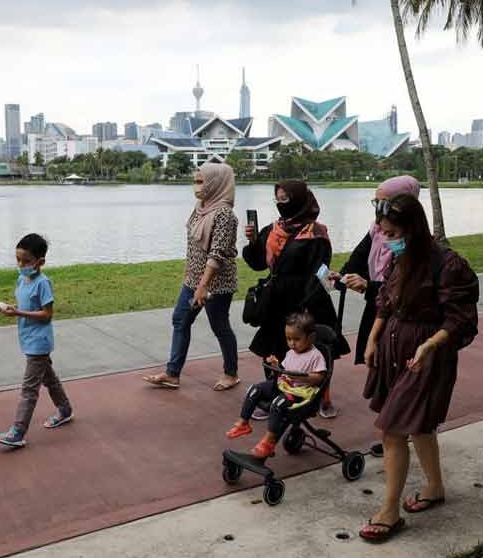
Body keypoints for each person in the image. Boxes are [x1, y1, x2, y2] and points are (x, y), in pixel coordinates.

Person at [356, 194, 479, 543]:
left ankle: (389, 512)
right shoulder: (400, 259)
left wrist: (429, 346)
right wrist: (373, 338)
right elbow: (385, 301)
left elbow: (460, 319)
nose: (387, 238)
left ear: (413, 228)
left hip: (425, 356)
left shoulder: (448, 264)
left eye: (393, 232)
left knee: (393, 430)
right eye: (383, 232)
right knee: (419, 426)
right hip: (394, 349)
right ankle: (435, 487)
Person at [243, 180, 349, 419]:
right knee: (273, 348)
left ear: (300, 199)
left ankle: (322, 397)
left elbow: (317, 271)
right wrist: (252, 242)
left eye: (286, 199)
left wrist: (305, 308)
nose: (281, 205)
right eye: (277, 200)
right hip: (275, 300)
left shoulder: (316, 233)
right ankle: (275, 396)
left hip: (306, 300)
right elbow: (259, 263)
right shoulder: (272, 229)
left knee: (314, 350)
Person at [144, 163, 240, 391]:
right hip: (194, 280)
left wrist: (203, 286)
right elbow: (193, 245)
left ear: (216, 183)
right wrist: (189, 275)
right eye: (195, 181)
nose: (196, 186)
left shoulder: (224, 214)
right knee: (180, 319)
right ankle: (172, 374)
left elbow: (216, 254)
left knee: (219, 325)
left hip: (216, 284)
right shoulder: (200, 208)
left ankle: (231, 373)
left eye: (201, 181)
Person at [0, 233, 74, 448]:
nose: (21, 264)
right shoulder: (22, 279)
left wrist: (18, 313)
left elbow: (47, 314)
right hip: (28, 339)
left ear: (40, 262)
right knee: (49, 379)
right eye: (18, 259)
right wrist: (9, 307)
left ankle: (18, 431)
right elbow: (24, 306)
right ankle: (65, 409)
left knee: (29, 389)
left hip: (39, 342)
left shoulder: (43, 283)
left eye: (26, 261)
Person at [330, 175, 421, 366]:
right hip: (377, 306)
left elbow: (406, 286)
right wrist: (342, 276)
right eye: (376, 203)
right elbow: (359, 256)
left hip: (401, 316)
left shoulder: (415, 242)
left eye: (384, 203)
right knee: (376, 363)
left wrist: (368, 286)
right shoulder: (377, 229)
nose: (379, 210)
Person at [225, 312, 327, 458]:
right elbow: (284, 371)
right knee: (254, 389)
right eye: (289, 339)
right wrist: (276, 365)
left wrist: (303, 377)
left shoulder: (315, 356)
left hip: (299, 392)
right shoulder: (292, 352)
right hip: (284, 386)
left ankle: (268, 441)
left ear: (310, 338)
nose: (292, 343)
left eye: (297, 339)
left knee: (277, 403)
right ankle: (243, 423)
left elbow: (319, 377)